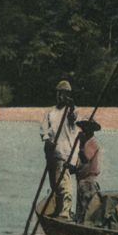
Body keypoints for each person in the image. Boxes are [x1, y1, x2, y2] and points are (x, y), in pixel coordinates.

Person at [40, 80, 80, 219]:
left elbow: (73, 119)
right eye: (59, 94)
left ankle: (65, 212)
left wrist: (72, 107)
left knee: (64, 184)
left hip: (65, 153)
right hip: (51, 153)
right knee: (54, 184)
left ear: (68, 95)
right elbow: (44, 130)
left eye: (63, 94)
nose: (60, 97)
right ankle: (58, 209)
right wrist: (47, 140)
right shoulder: (50, 112)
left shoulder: (71, 111)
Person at [69, 119, 102, 224]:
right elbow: (82, 164)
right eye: (82, 128)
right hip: (82, 180)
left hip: (88, 181)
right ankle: (79, 223)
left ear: (90, 130)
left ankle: (82, 225)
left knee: (85, 208)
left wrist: (81, 143)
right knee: (81, 208)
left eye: (84, 128)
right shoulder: (87, 142)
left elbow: (85, 159)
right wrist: (73, 169)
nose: (82, 131)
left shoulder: (92, 142)